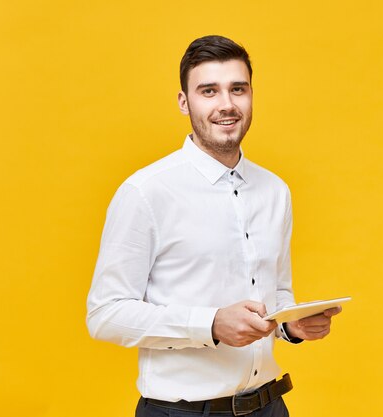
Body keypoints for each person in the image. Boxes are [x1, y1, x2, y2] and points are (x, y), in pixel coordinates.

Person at [86, 35, 341, 417]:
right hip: (182, 412)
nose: (227, 104)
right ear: (184, 102)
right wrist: (211, 324)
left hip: (270, 406)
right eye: (209, 91)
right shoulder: (145, 192)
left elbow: (277, 292)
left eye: (238, 89)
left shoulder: (275, 190)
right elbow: (105, 315)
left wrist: (291, 325)